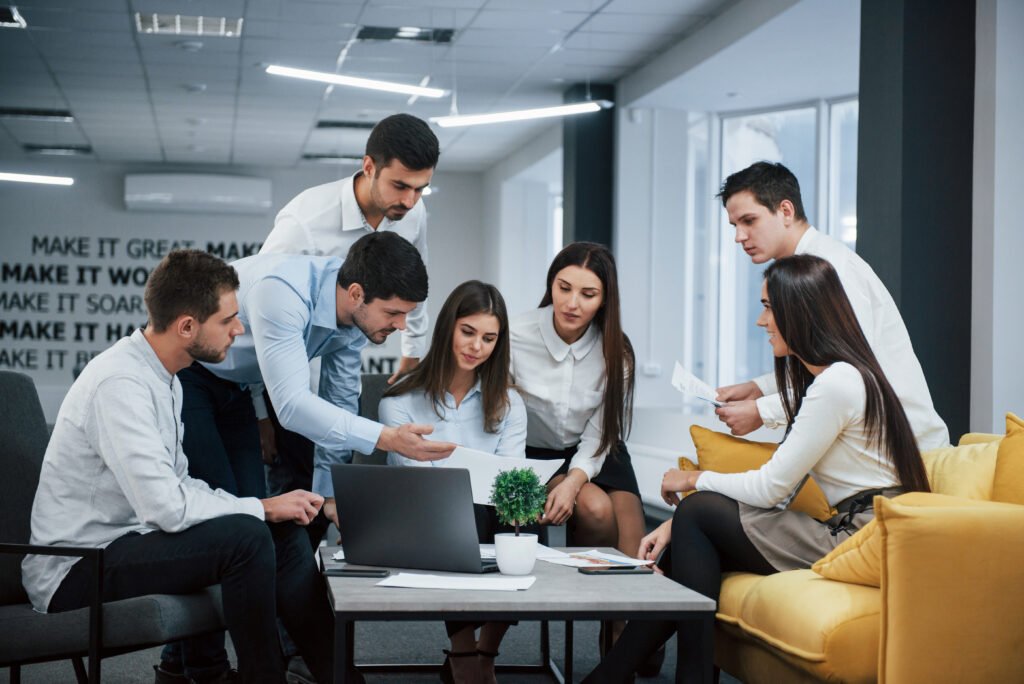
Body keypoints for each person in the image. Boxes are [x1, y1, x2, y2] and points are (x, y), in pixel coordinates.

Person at [583, 254, 931, 683]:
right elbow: (782, 490)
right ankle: (615, 676)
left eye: (768, 307)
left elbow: (771, 489)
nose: (760, 321)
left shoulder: (837, 384)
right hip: (858, 529)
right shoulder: (833, 380)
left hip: (863, 536)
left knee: (698, 511)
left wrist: (691, 481)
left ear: (799, 311)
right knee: (692, 529)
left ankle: (633, 675)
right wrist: (676, 524)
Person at [21, 250, 341, 684]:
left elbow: (181, 484)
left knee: (278, 530)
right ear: (187, 326)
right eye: (228, 319)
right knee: (248, 536)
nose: (240, 328)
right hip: (76, 567)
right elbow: (166, 508)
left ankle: (338, 675)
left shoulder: (164, 375)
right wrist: (258, 508)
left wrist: (265, 507)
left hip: (127, 542)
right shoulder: (121, 382)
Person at [714, 161, 949, 451]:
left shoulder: (831, 269)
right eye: (735, 226)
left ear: (786, 211)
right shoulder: (802, 269)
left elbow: (853, 375)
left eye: (749, 221)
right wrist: (761, 387)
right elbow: (827, 359)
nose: (739, 236)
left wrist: (764, 411)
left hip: (902, 449)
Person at [379, 280, 526, 684]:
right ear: (448, 327)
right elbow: (419, 486)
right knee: (451, 507)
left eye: (489, 337)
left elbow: (510, 478)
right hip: (428, 516)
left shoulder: (510, 404)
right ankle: (463, 650)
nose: (476, 345)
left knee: (520, 512)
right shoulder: (399, 402)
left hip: (488, 508)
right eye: (468, 331)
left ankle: (486, 651)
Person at [509, 242, 645, 651]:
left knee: (634, 564)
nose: (571, 303)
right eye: (563, 287)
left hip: (597, 446)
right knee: (595, 509)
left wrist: (574, 479)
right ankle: (606, 623)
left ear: (605, 299)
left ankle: (624, 635)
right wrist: (551, 480)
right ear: (551, 283)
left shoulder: (616, 351)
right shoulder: (513, 334)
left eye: (588, 294)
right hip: (530, 450)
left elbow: (600, 431)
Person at [261, 112, 439, 383]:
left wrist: (413, 351)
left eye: (419, 189)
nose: (410, 201)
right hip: (290, 363)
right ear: (369, 167)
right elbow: (263, 303)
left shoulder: (413, 213)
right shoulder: (304, 221)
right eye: (400, 186)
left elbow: (416, 280)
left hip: (346, 357)